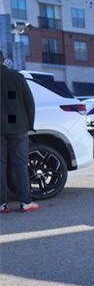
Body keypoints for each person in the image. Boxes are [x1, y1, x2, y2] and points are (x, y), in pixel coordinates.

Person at [1, 55, 39, 213]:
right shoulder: (16, 77)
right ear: (3, 60)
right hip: (18, 126)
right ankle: (25, 201)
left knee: (0, 166)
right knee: (20, 164)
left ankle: (2, 204)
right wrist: (29, 124)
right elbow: (29, 103)